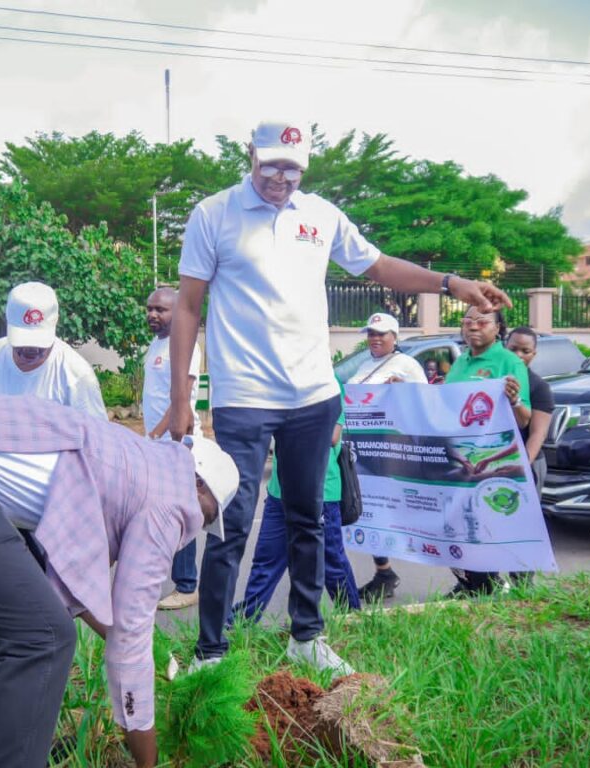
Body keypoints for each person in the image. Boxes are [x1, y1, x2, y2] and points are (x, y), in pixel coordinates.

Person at [169, 119, 511, 671]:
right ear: (250, 155)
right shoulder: (214, 214)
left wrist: (452, 283)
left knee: (309, 518)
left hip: (313, 395)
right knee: (231, 522)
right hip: (245, 398)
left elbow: (379, 267)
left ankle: (306, 637)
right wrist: (182, 397)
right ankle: (211, 650)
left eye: (293, 167)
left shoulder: (321, 215)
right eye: (271, 164)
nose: (281, 177)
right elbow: (188, 307)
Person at [0, 393, 239, 768]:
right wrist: (148, 762)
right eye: (205, 517)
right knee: (44, 635)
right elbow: (130, 641)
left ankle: (17, 750)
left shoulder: (135, 460)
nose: (195, 527)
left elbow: (74, 585)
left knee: (31, 619)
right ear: (198, 485)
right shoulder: (172, 499)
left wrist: (132, 638)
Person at [230, 372, 361, 634]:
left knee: (331, 563)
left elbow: (333, 435)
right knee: (266, 561)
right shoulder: (281, 382)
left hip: (319, 491)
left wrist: (289, 426)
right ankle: (242, 624)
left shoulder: (327, 382)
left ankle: (354, 620)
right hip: (280, 490)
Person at [443, 307, 531, 597]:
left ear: (498, 328)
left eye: (482, 322)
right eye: (468, 321)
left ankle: (487, 593)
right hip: (461, 462)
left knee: (486, 533)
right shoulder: (460, 362)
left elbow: (524, 419)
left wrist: (515, 399)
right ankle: (471, 586)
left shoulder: (508, 362)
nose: (473, 327)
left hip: (491, 466)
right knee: (460, 532)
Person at [349, 313, 428, 602]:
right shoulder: (366, 364)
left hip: (394, 451)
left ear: (395, 337)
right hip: (365, 452)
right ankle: (384, 572)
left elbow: (425, 405)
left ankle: (467, 573)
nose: (375, 338)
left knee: (401, 512)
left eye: (382, 333)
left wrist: (402, 393)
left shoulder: (406, 365)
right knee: (369, 510)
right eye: (371, 333)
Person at [142, 287, 204, 611]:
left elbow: (180, 400)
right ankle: (155, 579)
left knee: (180, 514)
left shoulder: (185, 344)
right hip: (158, 446)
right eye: (150, 309)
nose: (153, 315)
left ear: (176, 312)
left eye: (161, 310)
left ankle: (187, 585)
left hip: (178, 444)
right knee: (157, 515)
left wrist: (153, 435)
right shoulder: (157, 343)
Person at [0, 281, 107, 420]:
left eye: (39, 346)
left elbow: (96, 434)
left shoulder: (77, 374)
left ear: (55, 323)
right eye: (21, 344)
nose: (30, 350)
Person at [506, 325, 555, 586]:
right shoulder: (495, 380)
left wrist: (521, 466)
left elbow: (537, 434)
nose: (519, 354)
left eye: (525, 351)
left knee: (521, 525)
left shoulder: (538, 387)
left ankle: (522, 586)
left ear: (533, 355)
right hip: (494, 463)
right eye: (513, 348)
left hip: (528, 463)